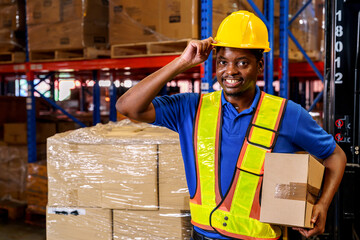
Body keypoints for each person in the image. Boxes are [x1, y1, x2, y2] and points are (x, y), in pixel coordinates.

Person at [116, 10, 346, 240]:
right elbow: (127, 107)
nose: (230, 71)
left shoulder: (287, 114)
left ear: (259, 66)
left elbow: (335, 156)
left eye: (242, 63)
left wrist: (322, 205)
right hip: (202, 236)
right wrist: (182, 62)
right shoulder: (190, 108)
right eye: (222, 62)